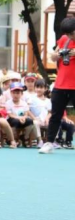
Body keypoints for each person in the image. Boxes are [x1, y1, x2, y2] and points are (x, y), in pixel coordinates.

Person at [40, 18, 75, 154]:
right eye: (68, 34)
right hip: (61, 84)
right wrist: (57, 55)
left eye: (72, 33)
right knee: (55, 115)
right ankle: (49, 143)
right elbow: (53, 56)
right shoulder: (64, 39)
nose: (70, 36)